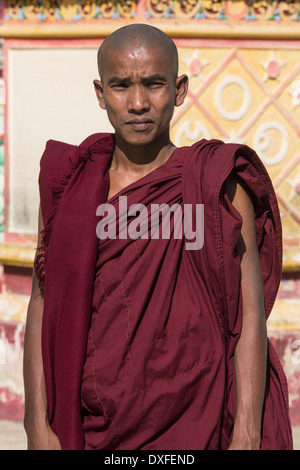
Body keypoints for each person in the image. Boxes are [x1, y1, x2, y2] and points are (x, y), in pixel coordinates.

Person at [23, 23, 293, 450]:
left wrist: (247, 430)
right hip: (98, 422)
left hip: (199, 421)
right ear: (99, 93)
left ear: (179, 89)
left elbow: (251, 316)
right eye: (120, 86)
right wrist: (36, 423)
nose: (137, 103)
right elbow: (43, 304)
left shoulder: (216, 184)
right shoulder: (71, 190)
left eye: (153, 84)